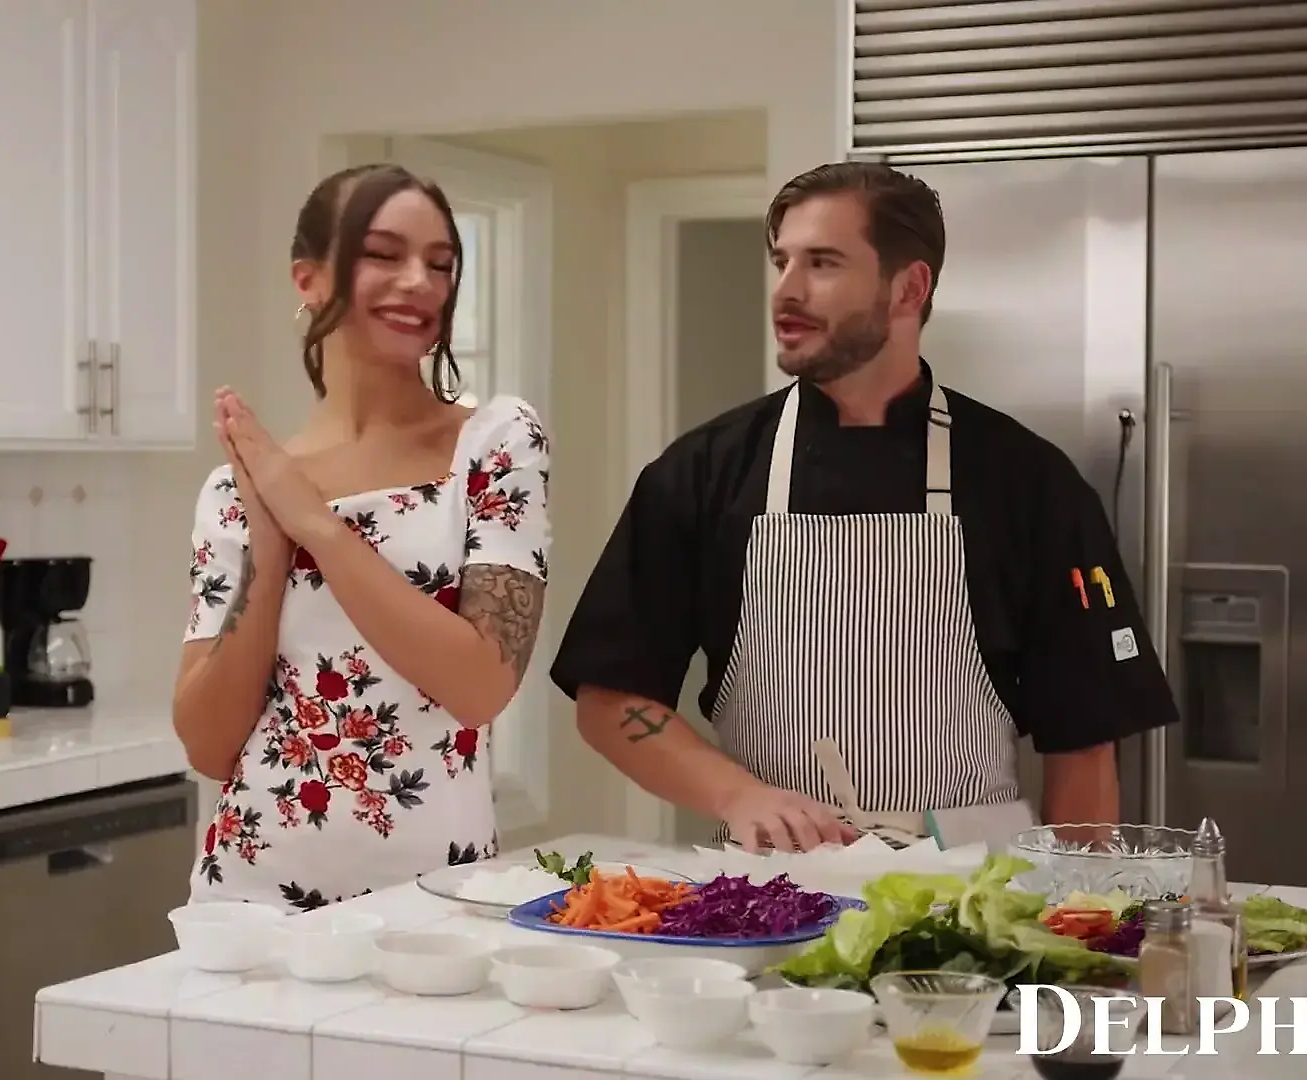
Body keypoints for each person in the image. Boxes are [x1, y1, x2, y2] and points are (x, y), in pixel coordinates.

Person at [551, 162, 1178, 852]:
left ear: (910, 287)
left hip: (977, 885)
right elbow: (610, 701)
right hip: (773, 885)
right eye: (782, 261)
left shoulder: (1028, 480)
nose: (786, 290)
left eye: (822, 263)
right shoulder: (703, 472)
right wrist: (738, 795)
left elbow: (1084, 741)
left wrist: (1074, 905)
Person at [174, 164, 552, 910]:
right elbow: (208, 746)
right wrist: (270, 552)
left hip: (433, 908)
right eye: (384, 254)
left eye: (440, 264)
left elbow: (481, 685)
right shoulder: (239, 487)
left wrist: (316, 524)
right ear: (308, 279)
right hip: (248, 909)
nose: (419, 282)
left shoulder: (496, 442)